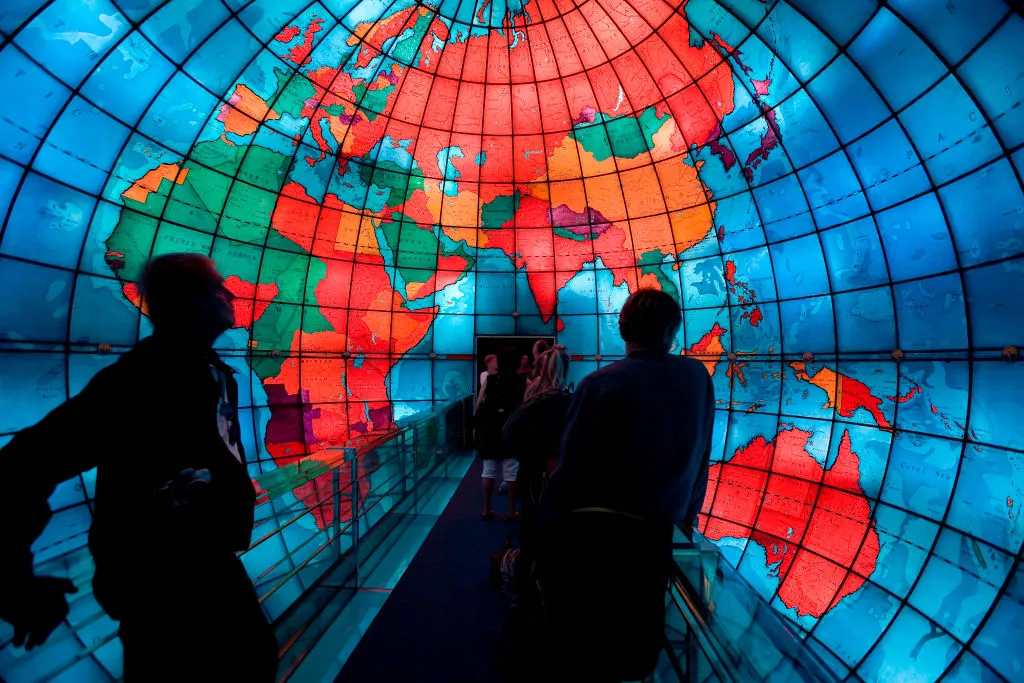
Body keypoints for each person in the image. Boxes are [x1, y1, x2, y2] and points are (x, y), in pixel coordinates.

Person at [0, 253, 278, 681]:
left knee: (252, 658)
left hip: (201, 560)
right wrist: (15, 584)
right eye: (216, 286)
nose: (228, 294)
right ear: (190, 302)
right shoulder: (137, 382)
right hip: (161, 582)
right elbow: (23, 465)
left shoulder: (209, 373)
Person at [543, 288, 715, 682]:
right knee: (639, 645)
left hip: (596, 535)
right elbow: (702, 453)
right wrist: (687, 517)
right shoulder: (696, 377)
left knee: (588, 639)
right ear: (672, 330)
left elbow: (571, 468)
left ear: (622, 328)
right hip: (659, 533)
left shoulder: (601, 383)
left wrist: (547, 528)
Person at [502, 344, 571, 599]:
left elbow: (512, 434)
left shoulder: (531, 395)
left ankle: (523, 589)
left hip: (530, 477)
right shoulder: (567, 401)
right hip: (555, 479)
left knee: (529, 532)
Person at [476, 347, 527, 520]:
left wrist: (477, 425)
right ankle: (511, 509)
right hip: (512, 430)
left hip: (490, 430)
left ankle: (486, 508)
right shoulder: (523, 381)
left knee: (488, 470)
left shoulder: (490, 380)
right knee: (511, 471)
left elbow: (479, 403)